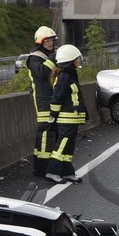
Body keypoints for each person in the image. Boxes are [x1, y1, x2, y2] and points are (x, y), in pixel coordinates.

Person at [45, 45, 88, 184]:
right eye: (76, 59)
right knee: (62, 145)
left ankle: (67, 172)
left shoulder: (70, 75)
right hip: (66, 118)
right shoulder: (64, 76)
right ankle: (52, 172)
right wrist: (53, 116)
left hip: (73, 118)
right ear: (70, 60)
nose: (78, 61)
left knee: (69, 146)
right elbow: (56, 98)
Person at [27, 26, 58, 177]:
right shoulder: (35, 57)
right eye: (48, 41)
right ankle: (42, 168)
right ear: (41, 41)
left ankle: (43, 166)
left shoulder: (46, 56)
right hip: (42, 99)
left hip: (50, 98)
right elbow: (42, 72)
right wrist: (53, 60)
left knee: (48, 132)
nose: (51, 43)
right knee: (45, 132)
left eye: (52, 40)